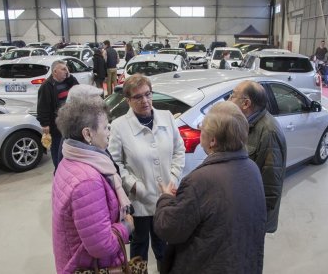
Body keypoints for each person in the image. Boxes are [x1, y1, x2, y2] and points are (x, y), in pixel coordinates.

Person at [153, 101, 266, 274]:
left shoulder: (199, 180)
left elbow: (168, 229)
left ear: (212, 140)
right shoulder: (252, 168)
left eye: (202, 128)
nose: (200, 131)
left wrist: (166, 198)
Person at [108, 74, 185, 271]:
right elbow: (114, 163)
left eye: (148, 94)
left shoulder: (167, 117)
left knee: (164, 247)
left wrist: (174, 177)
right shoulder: (119, 127)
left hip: (166, 198)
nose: (145, 101)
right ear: (128, 100)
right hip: (139, 202)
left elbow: (179, 150)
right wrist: (134, 185)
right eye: (138, 97)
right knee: (139, 248)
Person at [52, 95, 134, 273]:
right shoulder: (88, 180)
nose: (108, 132)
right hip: (88, 265)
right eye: (105, 127)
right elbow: (101, 246)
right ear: (87, 133)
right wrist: (126, 226)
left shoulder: (68, 160)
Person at [229, 80, 287, 233]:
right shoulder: (245, 123)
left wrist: (253, 219)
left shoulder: (268, 132)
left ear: (246, 103)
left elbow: (271, 187)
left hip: (251, 216)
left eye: (232, 96)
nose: (228, 100)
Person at [37, 60, 79, 170]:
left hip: (70, 124)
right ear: (55, 71)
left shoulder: (68, 81)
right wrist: (45, 124)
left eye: (67, 69)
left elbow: (78, 89)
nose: (66, 71)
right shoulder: (47, 86)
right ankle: (59, 173)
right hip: (56, 127)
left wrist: (70, 77)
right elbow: (42, 107)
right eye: (63, 69)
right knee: (58, 153)